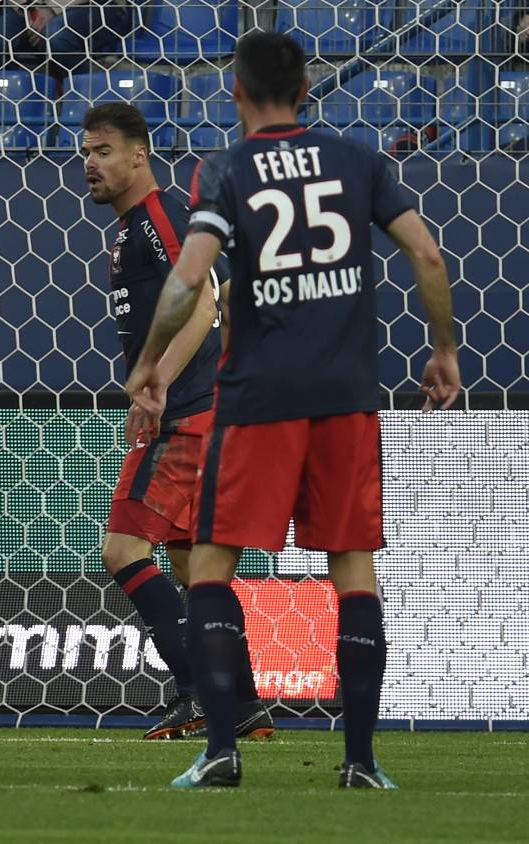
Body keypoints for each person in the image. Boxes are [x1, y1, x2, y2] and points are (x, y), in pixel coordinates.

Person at [126, 31, 461, 789]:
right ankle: (362, 762)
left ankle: (221, 752)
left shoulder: (226, 169)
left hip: (257, 400)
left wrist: (148, 362)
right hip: (345, 399)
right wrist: (443, 349)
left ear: (236, 93)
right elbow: (428, 255)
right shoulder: (359, 161)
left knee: (212, 564)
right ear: (307, 92)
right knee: (353, 572)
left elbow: (188, 279)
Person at [79, 102, 272, 742]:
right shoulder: (133, 228)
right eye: (85, 152)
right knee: (195, 570)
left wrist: (154, 383)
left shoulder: (159, 217)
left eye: (103, 151)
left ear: (140, 155)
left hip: (185, 414)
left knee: (123, 549)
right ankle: (243, 702)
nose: (90, 163)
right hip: (206, 411)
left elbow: (205, 303)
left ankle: (197, 693)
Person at [0, 1, 138, 72]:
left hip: (97, 6)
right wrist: (31, 6)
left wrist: (53, 7)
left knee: (56, 35)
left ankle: (82, 96)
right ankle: (17, 101)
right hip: (31, 8)